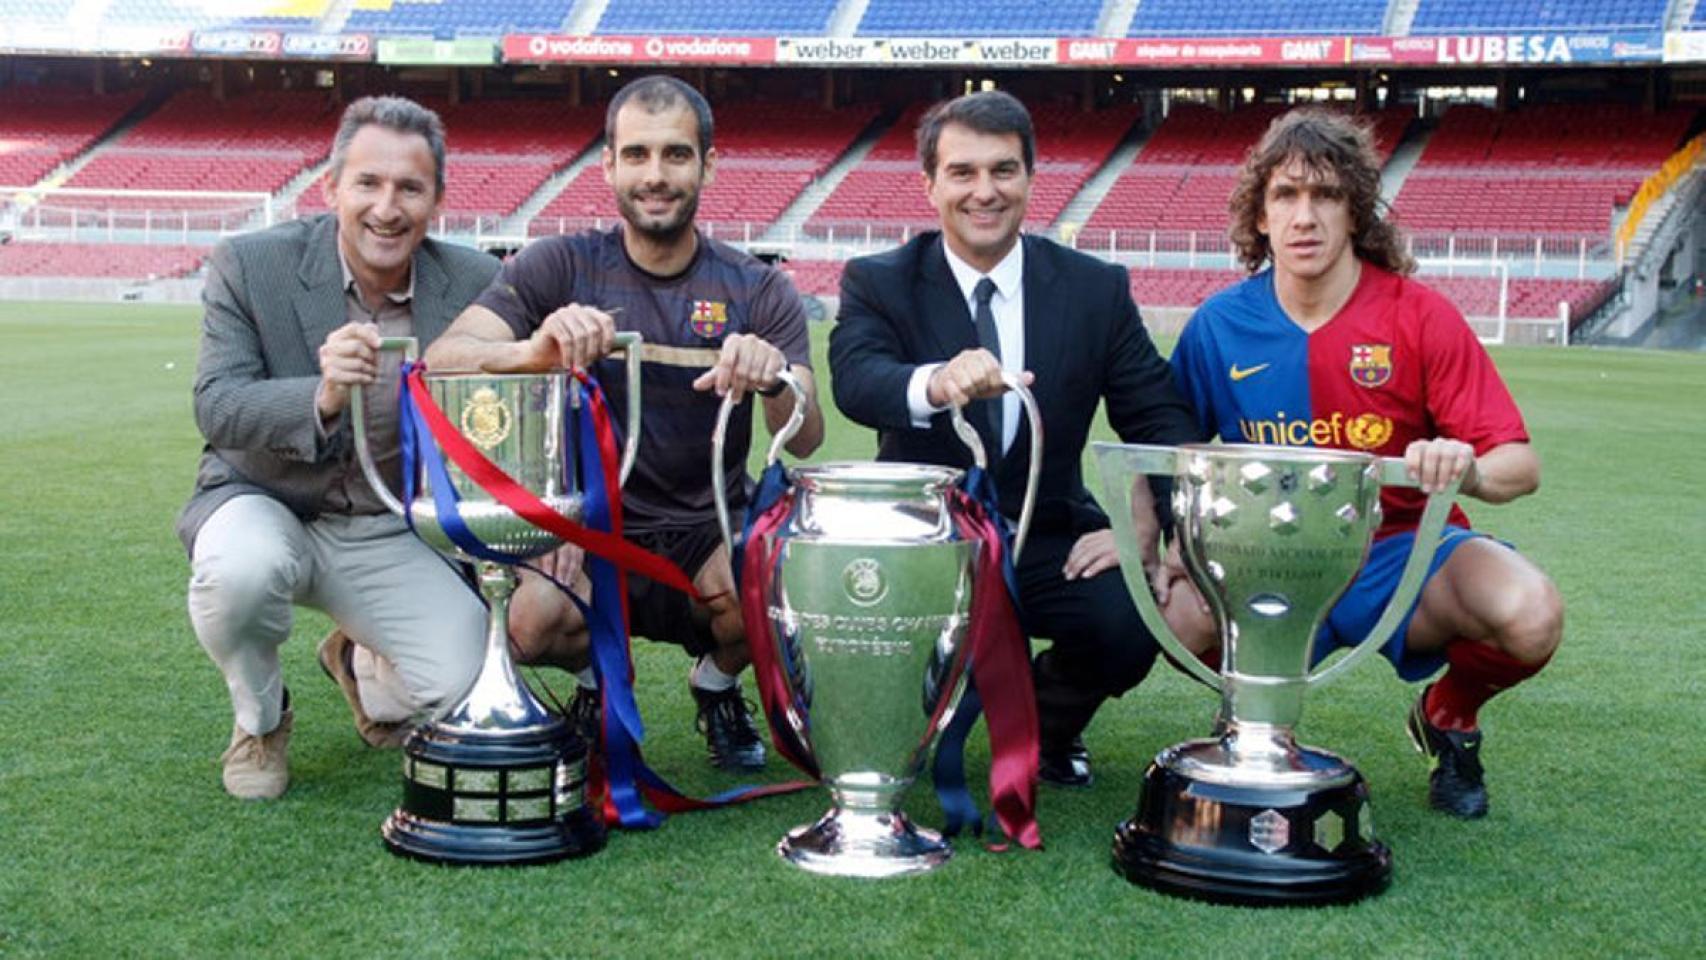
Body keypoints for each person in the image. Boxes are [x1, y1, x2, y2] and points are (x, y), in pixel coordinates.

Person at [1162, 108, 1565, 818]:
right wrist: (1163, 540)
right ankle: (1253, 718)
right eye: (1286, 195)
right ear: (1260, 215)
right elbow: (1166, 447)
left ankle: (1448, 714)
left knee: (1530, 614)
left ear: (1356, 211)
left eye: (1326, 195)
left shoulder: (1420, 316)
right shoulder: (1219, 326)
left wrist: (1466, 467)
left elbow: (1519, 464)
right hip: (1269, 557)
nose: (1305, 217)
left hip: (1400, 554)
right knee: (1172, 617)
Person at [422, 75, 826, 772]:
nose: (655, 175)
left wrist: (775, 378)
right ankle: (591, 683)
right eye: (637, 154)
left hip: (705, 529)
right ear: (608, 165)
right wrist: (533, 349)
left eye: (676, 154)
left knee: (776, 602)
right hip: (584, 522)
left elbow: (809, 430)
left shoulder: (757, 286)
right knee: (529, 622)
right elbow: (442, 359)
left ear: (707, 165)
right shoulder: (559, 264)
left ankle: (715, 684)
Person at [827, 91, 1200, 788]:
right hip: (924, 538)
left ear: (1030, 177)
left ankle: (1043, 726)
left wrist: (1146, 523)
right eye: (962, 172)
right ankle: (903, 720)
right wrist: (937, 382)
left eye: (1003, 170)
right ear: (930, 184)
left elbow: (1158, 416)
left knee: (1125, 622)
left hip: (1049, 534)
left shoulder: (1095, 289)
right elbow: (857, 379)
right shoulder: (879, 280)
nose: (984, 191)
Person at [179, 96, 502, 799]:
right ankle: (261, 719)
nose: (387, 208)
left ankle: (358, 662)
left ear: (437, 200)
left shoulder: (475, 281)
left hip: (386, 525)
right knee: (237, 576)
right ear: (331, 188)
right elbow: (217, 404)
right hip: (265, 500)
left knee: (468, 689)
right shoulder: (251, 264)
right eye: (368, 183)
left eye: (410, 188)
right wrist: (320, 396)